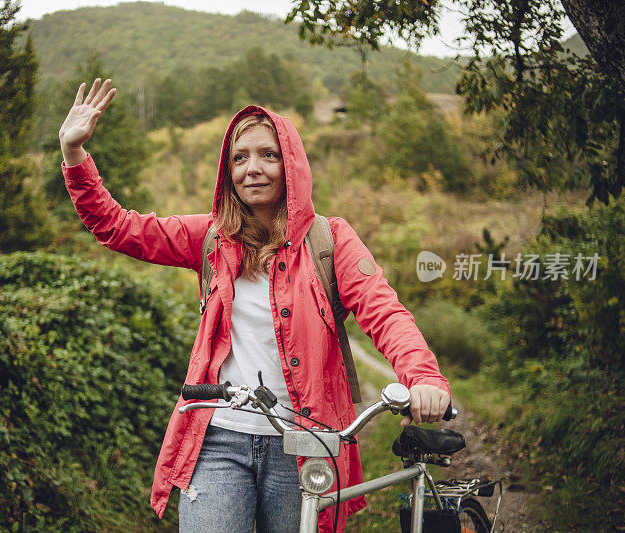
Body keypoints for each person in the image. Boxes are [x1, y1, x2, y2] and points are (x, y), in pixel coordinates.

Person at [59, 78, 451, 533]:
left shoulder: (331, 240)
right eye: (239, 158)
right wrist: (74, 155)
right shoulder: (208, 237)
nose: (253, 169)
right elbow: (118, 227)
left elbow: (384, 313)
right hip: (218, 439)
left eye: (269, 154)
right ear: (228, 172)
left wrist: (421, 375)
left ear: (292, 164)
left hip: (304, 445)